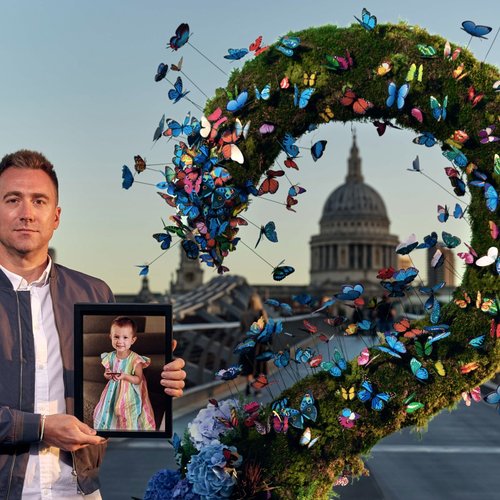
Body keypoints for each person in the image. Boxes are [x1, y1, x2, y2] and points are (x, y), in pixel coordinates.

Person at [0, 150, 186, 499]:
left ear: (55, 218)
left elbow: (109, 401)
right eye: (13, 199)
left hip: (78, 489)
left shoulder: (93, 292)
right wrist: (39, 429)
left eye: (39, 201)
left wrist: (161, 381)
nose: (26, 213)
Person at [93, 316, 156, 431]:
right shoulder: (110, 356)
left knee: (126, 412)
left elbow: (138, 379)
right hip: (113, 389)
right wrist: (108, 375)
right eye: (116, 337)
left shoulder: (135, 359)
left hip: (129, 392)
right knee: (109, 409)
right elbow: (106, 374)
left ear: (132, 340)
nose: (120, 341)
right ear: (110, 337)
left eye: (125, 337)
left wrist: (125, 376)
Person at [238, 292, 269, 397]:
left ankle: (248, 386)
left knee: (247, 366)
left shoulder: (244, 314)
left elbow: (241, 329)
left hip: (245, 342)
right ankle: (257, 389)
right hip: (257, 344)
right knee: (257, 367)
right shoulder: (260, 312)